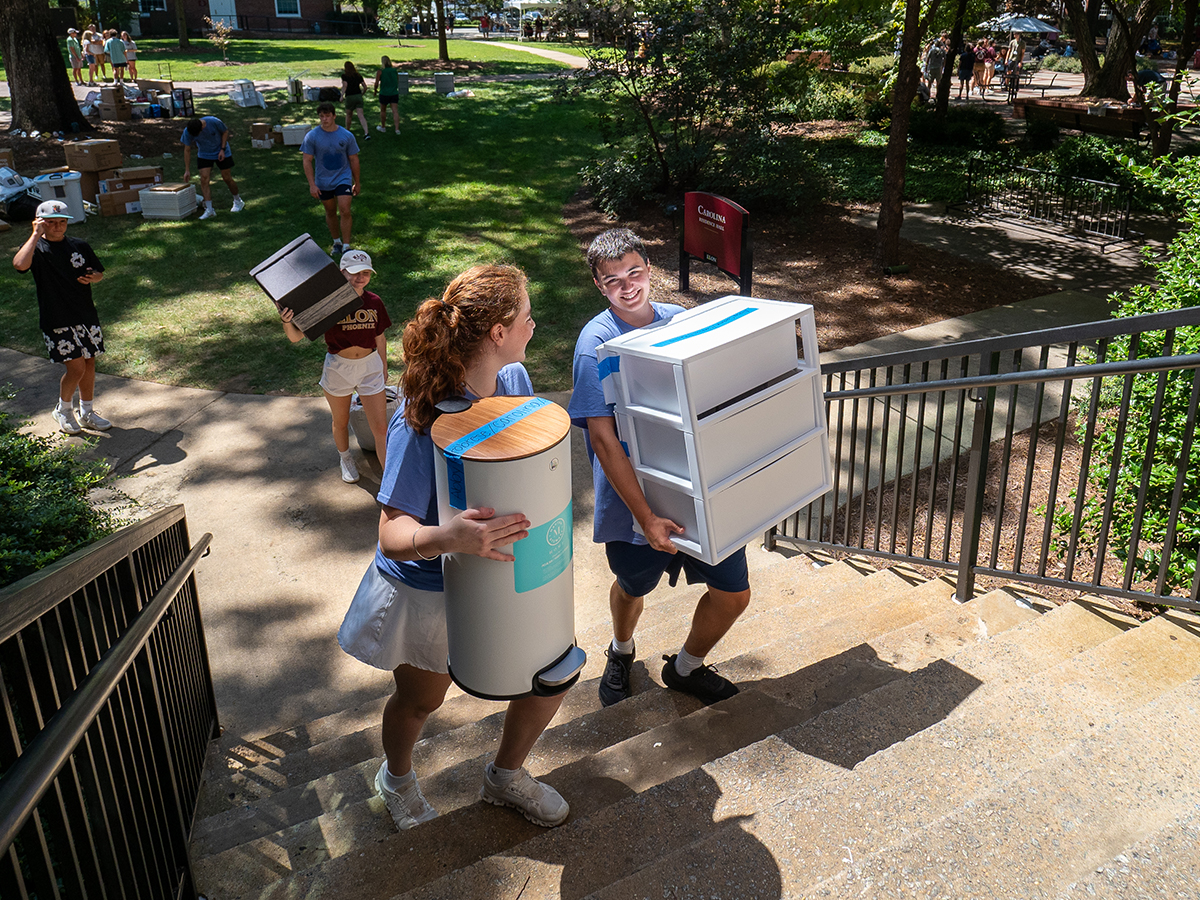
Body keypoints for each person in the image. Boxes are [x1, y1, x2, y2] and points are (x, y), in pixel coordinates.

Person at [338, 264, 570, 831]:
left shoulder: (513, 382)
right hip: (430, 590)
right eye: (524, 317)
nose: (533, 326)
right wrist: (452, 538)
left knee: (550, 675)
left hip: (509, 578)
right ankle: (395, 778)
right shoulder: (418, 419)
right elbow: (392, 534)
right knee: (422, 702)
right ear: (496, 332)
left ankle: (505, 775)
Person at [568, 229, 752, 709]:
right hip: (634, 506)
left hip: (697, 494)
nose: (627, 286)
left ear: (650, 270)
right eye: (613, 281)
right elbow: (604, 441)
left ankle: (686, 667)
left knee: (733, 594)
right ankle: (621, 650)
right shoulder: (596, 345)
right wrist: (646, 516)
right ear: (598, 286)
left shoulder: (679, 321)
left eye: (634, 273)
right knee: (633, 587)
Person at [279, 250, 391, 483]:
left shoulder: (374, 302)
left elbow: (380, 337)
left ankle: (390, 476)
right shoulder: (327, 305)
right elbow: (296, 337)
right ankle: (346, 458)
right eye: (353, 273)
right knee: (340, 421)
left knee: (381, 428)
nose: (360, 278)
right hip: (339, 368)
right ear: (341, 273)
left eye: (365, 273)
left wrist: (383, 365)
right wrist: (286, 322)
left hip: (370, 366)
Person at [11, 201, 112, 435]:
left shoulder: (79, 245)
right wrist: (36, 234)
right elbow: (19, 265)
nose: (58, 227)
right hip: (56, 317)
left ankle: (86, 411)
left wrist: (95, 278)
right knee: (75, 368)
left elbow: (98, 273)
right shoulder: (35, 248)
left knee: (89, 363)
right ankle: (63, 409)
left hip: (85, 315)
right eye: (51, 222)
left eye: (62, 222)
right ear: (40, 223)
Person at [301, 101, 361, 255]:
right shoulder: (312, 136)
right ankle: (337, 242)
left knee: (345, 210)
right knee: (330, 211)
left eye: (327, 116)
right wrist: (312, 184)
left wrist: (357, 182)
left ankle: (347, 246)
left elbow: (354, 159)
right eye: (321, 116)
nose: (324, 119)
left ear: (334, 116)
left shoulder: (346, 136)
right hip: (323, 181)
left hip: (343, 178)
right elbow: (307, 160)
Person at [180, 116, 245, 221]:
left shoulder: (214, 122)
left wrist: (222, 149)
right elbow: (187, 150)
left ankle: (238, 201)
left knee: (227, 178)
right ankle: (209, 210)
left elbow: (225, 132)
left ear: (202, 128)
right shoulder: (188, 131)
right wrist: (187, 170)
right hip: (204, 154)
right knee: (204, 179)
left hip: (221, 151)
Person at [341, 61, 371, 139]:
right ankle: (366, 133)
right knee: (361, 115)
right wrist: (362, 94)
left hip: (350, 97)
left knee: (349, 115)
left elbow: (345, 86)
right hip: (358, 96)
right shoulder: (358, 75)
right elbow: (365, 86)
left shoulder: (345, 76)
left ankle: (347, 131)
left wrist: (341, 95)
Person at [373, 56, 401, 135]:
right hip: (394, 93)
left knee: (383, 110)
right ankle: (397, 129)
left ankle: (383, 127)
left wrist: (375, 90)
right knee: (395, 111)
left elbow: (376, 83)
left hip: (384, 93)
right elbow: (397, 80)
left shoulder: (380, 71)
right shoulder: (394, 70)